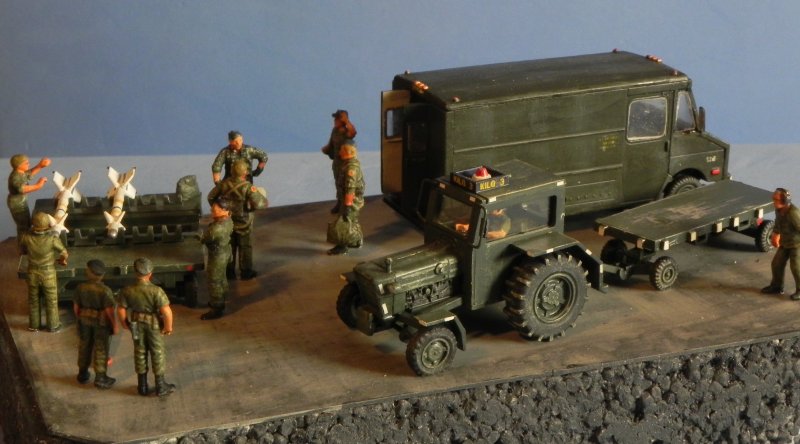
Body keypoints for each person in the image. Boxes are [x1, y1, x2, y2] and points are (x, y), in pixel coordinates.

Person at [117, 258, 176, 397]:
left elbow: (121, 309)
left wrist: (124, 323)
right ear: (150, 273)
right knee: (157, 352)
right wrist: (168, 327)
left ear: (135, 272)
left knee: (140, 352)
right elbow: (166, 312)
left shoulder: (127, 290)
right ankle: (160, 385)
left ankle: (142, 386)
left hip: (136, 325)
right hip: (153, 325)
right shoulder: (156, 291)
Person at [207, 160, 267, 280]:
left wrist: (220, 209)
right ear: (245, 173)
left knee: (230, 246)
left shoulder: (223, 184)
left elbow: (211, 197)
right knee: (245, 247)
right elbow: (259, 204)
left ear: (231, 171)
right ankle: (246, 272)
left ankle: (229, 272)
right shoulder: (248, 187)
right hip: (244, 222)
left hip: (227, 221)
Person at [73, 259, 118, 389]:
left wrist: (80, 318)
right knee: (101, 348)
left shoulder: (80, 288)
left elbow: (76, 307)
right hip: (100, 323)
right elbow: (109, 311)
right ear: (102, 275)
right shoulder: (105, 291)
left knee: (84, 346)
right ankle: (100, 378)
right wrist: (114, 325)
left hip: (84, 321)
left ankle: (82, 374)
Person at [20, 211, 68, 332]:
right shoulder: (52, 239)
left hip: (32, 273)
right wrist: (62, 261)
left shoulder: (26, 237)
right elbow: (64, 253)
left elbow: (22, 248)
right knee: (51, 301)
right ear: (48, 224)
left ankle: (34, 325)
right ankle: (53, 326)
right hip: (48, 274)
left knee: (33, 301)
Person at [761, 188, 800, 300]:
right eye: (773, 199)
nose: (773, 202)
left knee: (796, 267)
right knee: (776, 264)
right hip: (785, 243)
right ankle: (777, 286)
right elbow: (778, 223)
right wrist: (775, 234)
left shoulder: (793, 213)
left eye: (776, 200)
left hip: (796, 245)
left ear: (784, 201)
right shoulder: (779, 210)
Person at [327, 140, 364, 255]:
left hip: (350, 201)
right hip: (353, 200)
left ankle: (342, 246)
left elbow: (350, 188)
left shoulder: (350, 168)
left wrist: (347, 205)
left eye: (342, 150)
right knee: (353, 221)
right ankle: (356, 241)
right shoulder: (350, 164)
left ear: (348, 151)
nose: (339, 152)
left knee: (344, 222)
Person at [199, 198, 233, 320]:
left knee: (214, 281)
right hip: (225, 252)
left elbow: (205, 239)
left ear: (224, 210)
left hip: (217, 256)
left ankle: (217, 307)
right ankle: (223, 297)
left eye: (215, 209)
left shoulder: (216, 228)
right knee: (222, 277)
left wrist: (200, 237)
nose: (212, 210)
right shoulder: (228, 220)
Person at [7, 154, 51, 244]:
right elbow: (22, 189)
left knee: (26, 223)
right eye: (26, 163)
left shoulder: (21, 173)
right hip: (17, 204)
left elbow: (29, 174)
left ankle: (26, 242)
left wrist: (40, 166)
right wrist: (38, 185)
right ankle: (23, 245)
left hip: (21, 202)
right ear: (19, 165)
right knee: (23, 225)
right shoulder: (15, 177)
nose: (29, 164)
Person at [321, 110, 357, 214]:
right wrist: (326, 149)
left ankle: (348, 205)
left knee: (347, 184)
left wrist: (347, 121)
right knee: (338, 183)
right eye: (335, 119)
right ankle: (340, 202)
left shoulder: (346, 131)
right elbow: (331, 143)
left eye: (337, 119)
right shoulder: (335, 131)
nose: (335, 121)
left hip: (346, 162)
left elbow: (353, 133)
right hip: (337, 162)